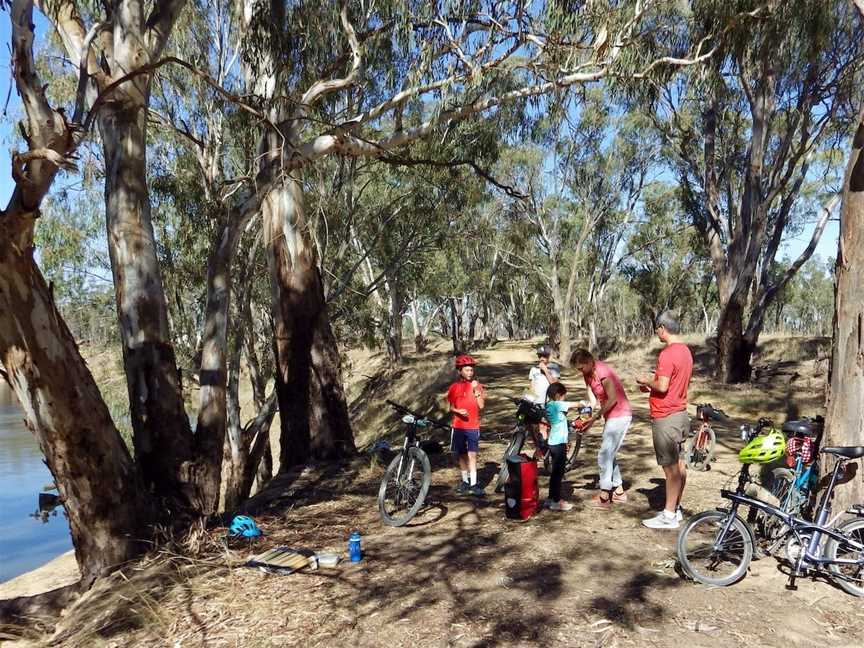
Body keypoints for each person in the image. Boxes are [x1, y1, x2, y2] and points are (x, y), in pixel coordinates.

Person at [636, 311, 694, 530]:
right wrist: (653, 382)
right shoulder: (686, 352)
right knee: (679, 465)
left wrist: (645, 380)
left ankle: (668, 515)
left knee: (670, 470)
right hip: (680, 414)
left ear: (662, 327)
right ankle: (675, 509)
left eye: (656, 329)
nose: (656, 333)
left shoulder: (668, 354)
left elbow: (662, 386)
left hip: (666, 417)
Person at [571, 348, 632, 510]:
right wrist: (585, 419)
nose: (580, 371)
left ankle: (605, 493)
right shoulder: (587, 375)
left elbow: (612, 400)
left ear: (590, 362)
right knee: (609, 454)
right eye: (577, 369)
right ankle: (618, 491)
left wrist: (595, 418)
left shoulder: (603, 371)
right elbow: (593, 400)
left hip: (620, 414)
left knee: (604, 453)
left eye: (581, 367)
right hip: (610, 416)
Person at [447, 354, 486, 497]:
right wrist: (458, 410)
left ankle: (474, 484)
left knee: (472, 455)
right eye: (467, 370)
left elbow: (481, 405)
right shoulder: (454, 387)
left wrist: (476, 391)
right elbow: (451, 407)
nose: (470, 373)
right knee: (461, 455)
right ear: (460, 371)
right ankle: (464, 481)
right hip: (458, 426)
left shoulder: (477, 386)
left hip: (472, 426)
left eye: (471, 370)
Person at [544, 382, 579, 512]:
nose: (565, 398)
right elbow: (576, 404)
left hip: (554, 442)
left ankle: (551, 498)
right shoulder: (557, 404)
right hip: (558, 444)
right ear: (558, 395)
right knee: (558, 474)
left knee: (555, 473)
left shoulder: (548, 405)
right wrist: (587, 403)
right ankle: (556, 501)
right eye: (564, 396)